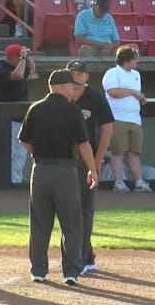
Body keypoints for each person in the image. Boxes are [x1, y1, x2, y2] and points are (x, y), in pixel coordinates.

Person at [18, 69, 98, 286]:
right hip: (65, 172)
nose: (74, 90)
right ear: (63, 87)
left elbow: (23, 141)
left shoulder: (35, 108)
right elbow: (83, 144)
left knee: (39, 223)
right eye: (72, 86)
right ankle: (71, 272)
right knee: (71, 222)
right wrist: (92, 169)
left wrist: (38, 154)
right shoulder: (73, 111)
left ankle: (38, 271)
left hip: (40, 171)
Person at [66, 59, 114, 275]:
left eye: (80, 73)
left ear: (87, 76)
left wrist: (95, 162)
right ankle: (84, 255)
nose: (76, 76)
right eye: (72, 72)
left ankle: (82, 258)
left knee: (84, 210)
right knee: (68, 210)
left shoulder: (95, 98)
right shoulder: (61, 95)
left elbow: (107, 130)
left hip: (86, 161)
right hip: (63, 160)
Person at [102, 45, 152, 193]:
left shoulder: (136, 74)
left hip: (135, 119)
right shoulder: (112, 73)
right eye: (134, 58)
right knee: (117, 152)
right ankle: (118, 182)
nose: (137, 61)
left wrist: (140, 97)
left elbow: (134, 95)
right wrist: (134, 93)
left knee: (134, 152)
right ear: (126, 60)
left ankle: (139, 182)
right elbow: (113, 92)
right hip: (117, 119)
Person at [0, 43, 37, 184]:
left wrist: (26, 55)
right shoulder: (2, 70)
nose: (21, 60)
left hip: (21, 119)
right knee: (10, 155)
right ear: (12, 57)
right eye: (18, 57)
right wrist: (23, 57)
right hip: (7, 121)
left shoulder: (20, 65)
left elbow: (32, 68)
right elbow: (17, 75)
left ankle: (16, 182)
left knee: (21, 155)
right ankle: (8, 184)